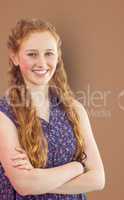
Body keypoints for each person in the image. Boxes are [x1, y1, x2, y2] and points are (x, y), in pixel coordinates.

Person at [0, 18, 105, 199]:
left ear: (57, 56)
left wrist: (40, 181)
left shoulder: (74, 109)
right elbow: (24, 185)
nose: (42, 63)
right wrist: (76, 167)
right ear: (15, 57)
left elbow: (98, 179)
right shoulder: (4, 114)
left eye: (49, 53)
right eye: (32, 54)